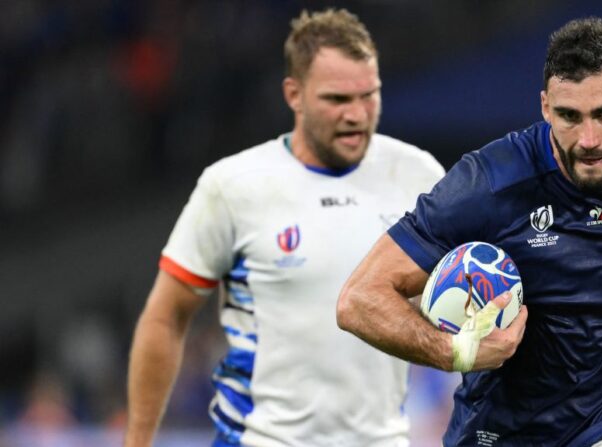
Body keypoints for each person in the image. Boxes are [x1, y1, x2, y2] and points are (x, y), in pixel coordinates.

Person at [337, 17, 602, 446]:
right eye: (569, 116)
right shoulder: (488, 184)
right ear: (544, 107)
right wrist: (455, 352)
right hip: (496, 431)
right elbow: (361, 299)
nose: (588, 138)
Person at [124, 8, 444, 447]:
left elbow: (452, 295)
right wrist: (137, 441)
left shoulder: (418, 175)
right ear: (294, 94)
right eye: (337, 99)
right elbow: (165, 316)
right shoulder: (233, 186)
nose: (357, 113)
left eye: (368, 95)